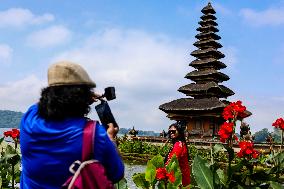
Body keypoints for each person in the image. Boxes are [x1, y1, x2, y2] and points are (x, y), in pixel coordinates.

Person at [20, 61, 124, 189]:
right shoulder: (94, 135)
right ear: (82, 98)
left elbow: (42, 104)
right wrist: (111, 139)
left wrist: (77, 96)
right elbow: (116, 174)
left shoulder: (29, 120)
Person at [164, 123, 190, 188]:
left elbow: (172, 161)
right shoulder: (180, 143)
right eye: (170, 131)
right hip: (181, 176)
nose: (171, 133)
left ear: (179, 132)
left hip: (179, 178)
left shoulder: (178, 145)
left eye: (173, 131)